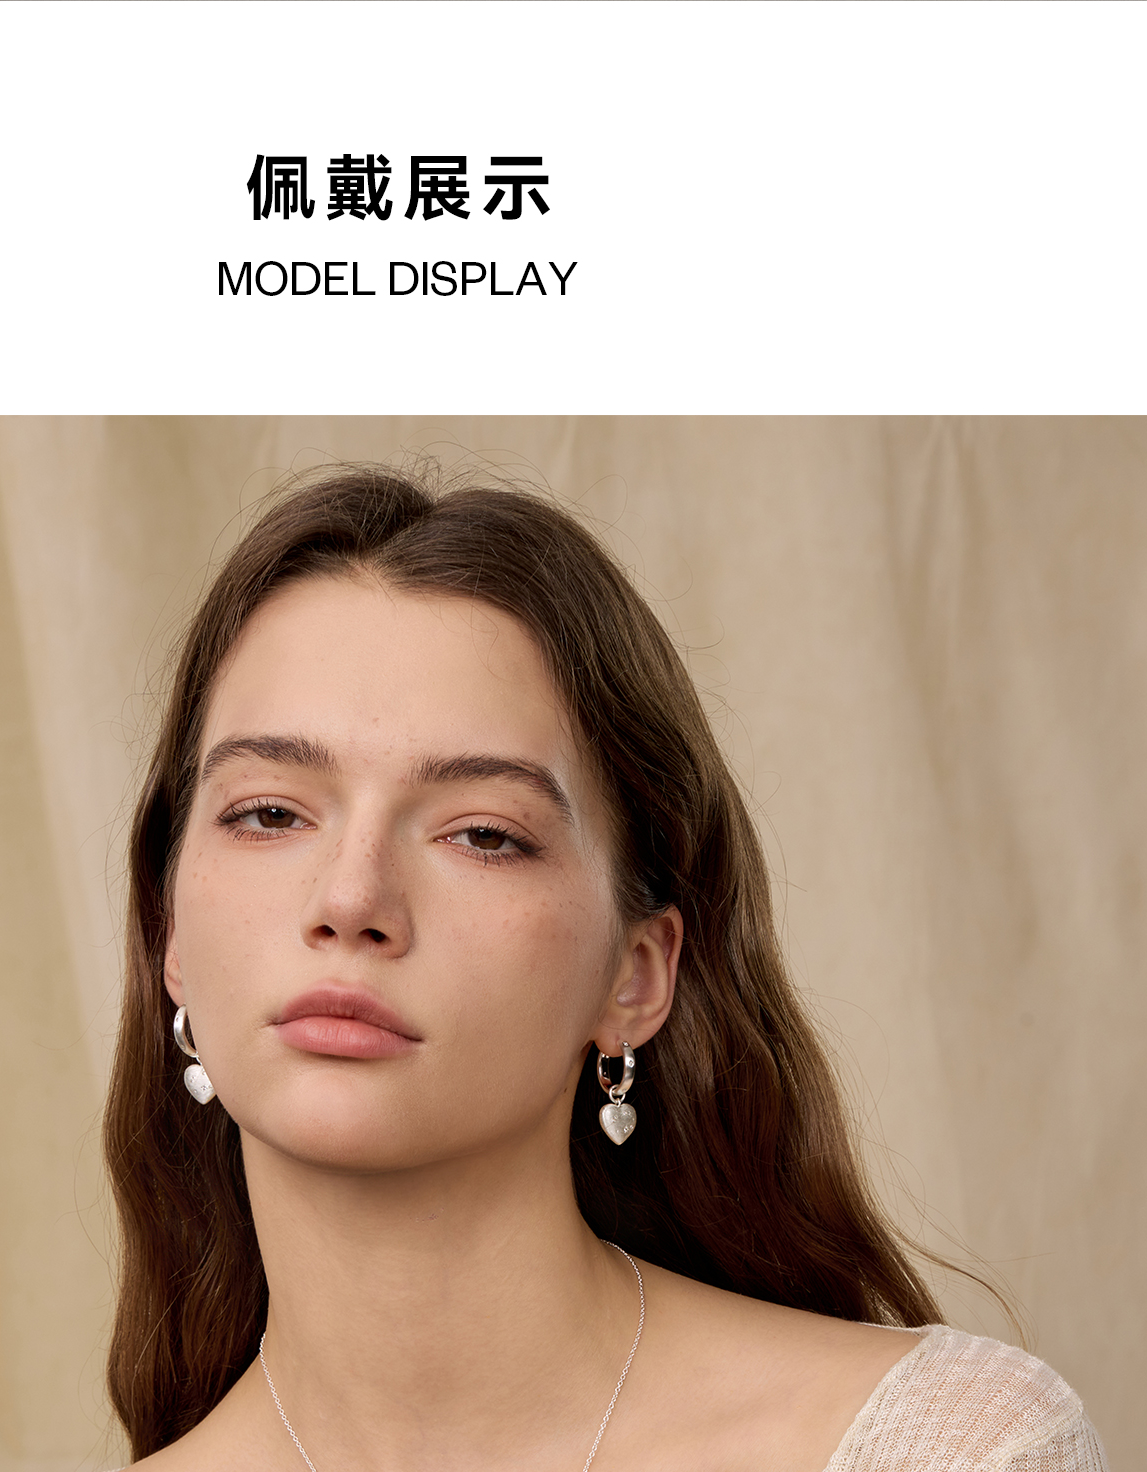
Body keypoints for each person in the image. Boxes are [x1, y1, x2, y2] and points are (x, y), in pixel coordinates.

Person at [102, 466, 1108, 1471]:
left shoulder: (956, 1448)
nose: (352, 899)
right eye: (268, 813)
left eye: (483, 833)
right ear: (169, 934)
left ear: (635, 975)